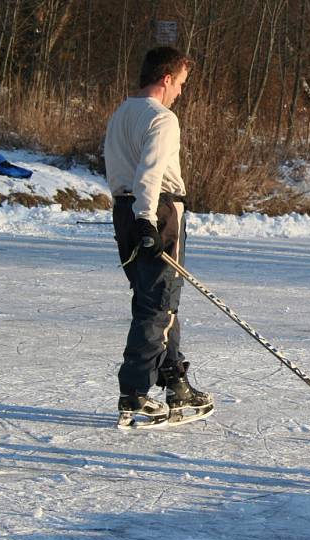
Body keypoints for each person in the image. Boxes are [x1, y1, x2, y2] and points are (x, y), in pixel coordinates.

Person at [105, 46, 214, 429]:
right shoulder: (162, 118)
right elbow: (149, 174)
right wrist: (148, 220)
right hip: (157, 211)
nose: (181, 92)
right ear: (166, 79)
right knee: (158, 305)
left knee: (157, 300)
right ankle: (134, 394)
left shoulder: (121, 113)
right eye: (181, 83)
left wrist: (133, 216)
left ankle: (176, 383)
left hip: (124, 210)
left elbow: (119, 170)